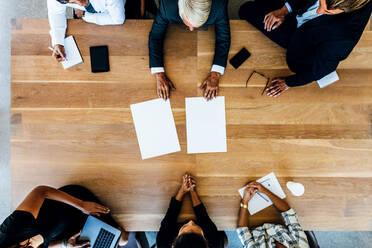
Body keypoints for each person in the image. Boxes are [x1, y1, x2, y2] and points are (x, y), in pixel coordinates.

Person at [239, 0, 372, 97]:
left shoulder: (344, 37)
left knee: (248, 10)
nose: (319, 11)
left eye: (326, 11)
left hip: (301, 38)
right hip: (298, 7)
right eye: (321, 3)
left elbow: (322, 69)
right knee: (246, 9)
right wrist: (284, 10)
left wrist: (288, 83)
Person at [148, 0, 231, 100]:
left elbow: (224, 37)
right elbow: (155, 36)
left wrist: (215, 74)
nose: (191, 29)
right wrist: (159, 74)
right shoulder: (167, 6)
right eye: (187, 22)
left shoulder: (219, 6)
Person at [0, 185, 129, 248]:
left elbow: (41, 191)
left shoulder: (12, 230)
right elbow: (43, 244)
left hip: (73, 204)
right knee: (117, 242)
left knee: (122, 239)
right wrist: (64, 243)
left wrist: (81, 204)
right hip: (67, 230)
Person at [157, 174, 224, 248]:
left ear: (174, 243)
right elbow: (203, 218)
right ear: (205, 241)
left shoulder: (163, 243)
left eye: (185, 227)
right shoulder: (214, 243)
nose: (191, 222)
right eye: (197, 229)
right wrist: (192, 190)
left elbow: (171, 216)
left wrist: (182, 190)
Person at [48, 0, 125, 62]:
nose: (80, 4)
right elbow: (56, 13)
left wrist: (85, 15)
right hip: (82, 14)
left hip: (105, 12)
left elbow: (117, 19)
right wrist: (58, 42)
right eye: (72, 2)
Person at [237, 182, 309, 248]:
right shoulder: (300, 246)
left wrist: (245, 202)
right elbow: (289, 213)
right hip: (276, 216)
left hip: (251, 220)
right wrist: (265, 190)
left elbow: (242, 230)